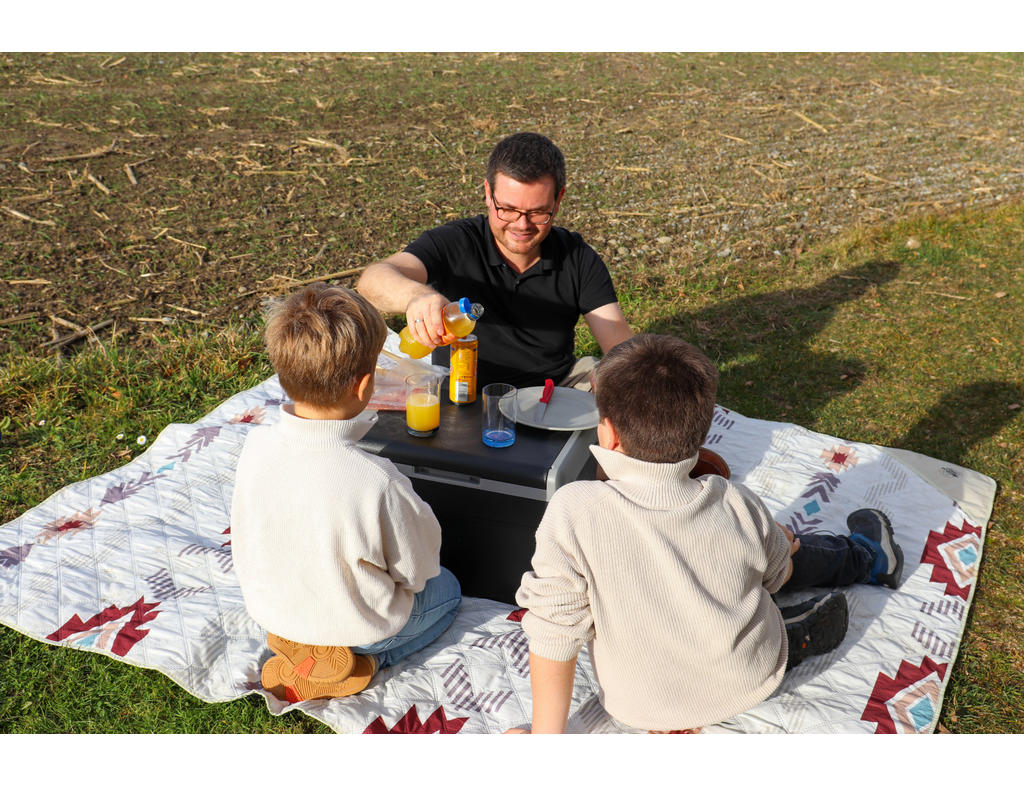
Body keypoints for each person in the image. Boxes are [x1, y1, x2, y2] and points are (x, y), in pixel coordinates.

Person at [510, 334, 904, 733]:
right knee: (781, 550)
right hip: (748, 678)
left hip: (641, 708)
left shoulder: (573, 509)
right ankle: (866, 558)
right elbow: (776, 577)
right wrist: (782, 546)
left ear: (608, 433)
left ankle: (795, 627)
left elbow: (554, 633)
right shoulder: (736, 500)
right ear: (703, 430)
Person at [231, 283, 461, 702]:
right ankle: (363, 664)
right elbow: (418, 570)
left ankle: (301, 647)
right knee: (449, 590)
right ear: (365, 386)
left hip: (273, 613)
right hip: (357, 627)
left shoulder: (254, 445)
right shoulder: (378, 480)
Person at [356, 131, 634, 389]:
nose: (522, 225)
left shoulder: (577, 257)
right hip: (462, 388)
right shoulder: (456, 242)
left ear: (558, 199)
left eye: (538, 212)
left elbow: (621, 349)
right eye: (508, 209)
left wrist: (623, 377)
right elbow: (372, 280)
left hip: (556, 389)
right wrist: (416, 296)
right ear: (488, 194)